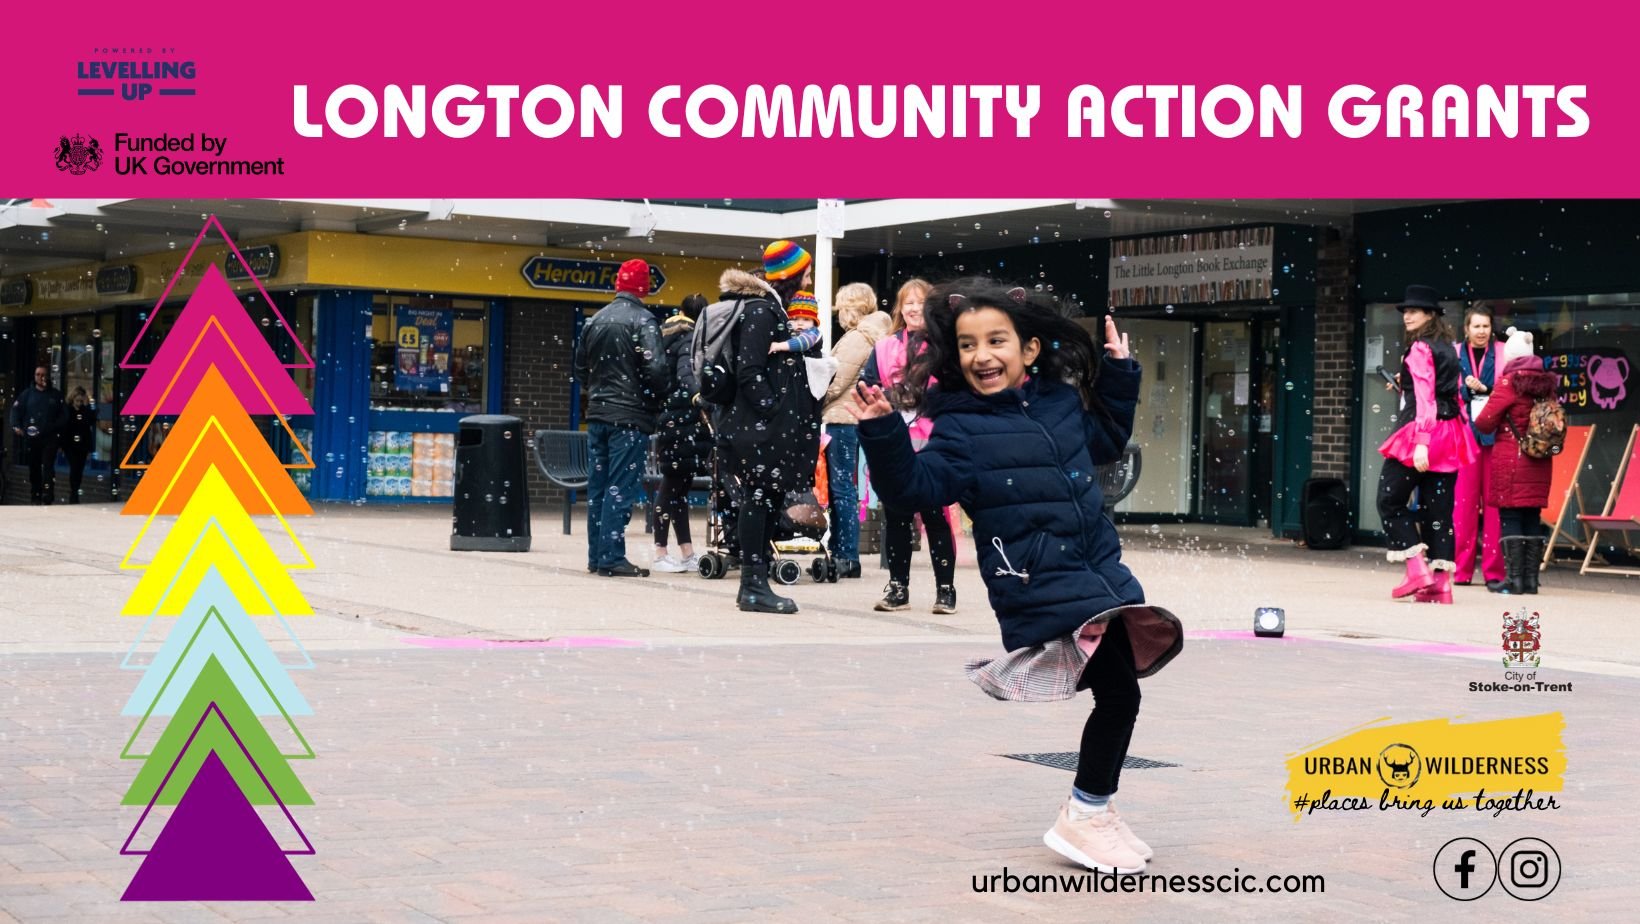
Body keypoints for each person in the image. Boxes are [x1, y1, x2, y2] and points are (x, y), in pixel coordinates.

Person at [850, 279, 1182, 875]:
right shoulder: (961, 428)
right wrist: (881, 432)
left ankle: (1093, 810)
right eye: (969, 344)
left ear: (1029, 350)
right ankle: (1085, 813)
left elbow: (1104, 441)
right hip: (1043, 579)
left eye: (997, 340)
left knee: (1119, 694)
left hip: (1098, 569)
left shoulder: (1057, 402)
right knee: (1120, 694)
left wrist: (1119, 370)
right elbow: (914, 489)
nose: (983, 355)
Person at [719, 240, 821, 613]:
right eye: (805, 271)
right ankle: (752, 584)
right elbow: (750, 371)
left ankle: (756, 582)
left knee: (767, 499)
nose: (809, 277)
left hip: (764, 428)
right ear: (791, 275)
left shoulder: (770, 309)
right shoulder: (762, 311)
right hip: (760, 430)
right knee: (759, 500)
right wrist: (773, 409)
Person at [1376, 285, 1479, 605]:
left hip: (1423, 432)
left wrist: (1421, 442)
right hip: (1450, 433)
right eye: (1405, 311)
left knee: (1389, 500)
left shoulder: (1420, 348)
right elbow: (1453, 391)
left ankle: (1416, 568)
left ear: (1430, 314)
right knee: (1438, 511)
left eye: (1414, 311)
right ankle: (1440, 584)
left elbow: (1425, 398)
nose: (1407, 316)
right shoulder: (1449, 347)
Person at [861, 278, 958, 614]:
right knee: (897, 515)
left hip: (932, 440)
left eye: (921, 301)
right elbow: (869, 384)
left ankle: (946, 589)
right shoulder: (885, 346)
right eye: (908, 302)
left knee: (935, 515)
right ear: (900, 309)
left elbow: (954, 389)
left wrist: (924, 397)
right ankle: (898, 587)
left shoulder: (945, 346)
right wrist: (890, 395)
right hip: (896, 439)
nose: (914, 308)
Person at [572, 259, 667, 577]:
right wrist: (652, 399)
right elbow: (656, 371)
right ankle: (611, 557)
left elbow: (580, 370)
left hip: (598, 415)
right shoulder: (644, 320)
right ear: (643, 288)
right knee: (620, 488)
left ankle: (597, 556)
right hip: (629, 417)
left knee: (598, 487)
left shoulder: (594, 321)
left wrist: (599, 392)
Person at [1475, 327, 1560, 595]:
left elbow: (1484, 423)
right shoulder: (1547, 386)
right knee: (1531, 515)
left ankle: (1514, 580)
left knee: (1510, 514)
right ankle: (1531, 581)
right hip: (1540, 458)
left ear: (1510, 357)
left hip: (1512, 458)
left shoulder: (1508, 383)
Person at [819, 283, 893, 578]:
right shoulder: (874, 336)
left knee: (841, 489)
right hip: (859, 419)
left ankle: (846, 554)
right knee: (846, 488)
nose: (838, 314)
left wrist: (813, 400)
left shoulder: (857, 338)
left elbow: (836, 381)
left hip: (843, 418)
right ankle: (845, 552)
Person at [652, 294, 714, 573]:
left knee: (678, 489)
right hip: (684, 422)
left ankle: (686, 551)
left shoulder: (667, 336)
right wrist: (699, 396)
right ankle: (660, 551)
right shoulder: (689, 339)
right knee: (672, 488)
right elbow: (687, 373)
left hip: (672, 420)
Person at [1454, 304, 1508, 591]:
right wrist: (1465, 389)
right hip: (1464, 436)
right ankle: (1461, 570)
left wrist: (1488, 391)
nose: (1481, 331)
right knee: (1463, 506)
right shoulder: (1454, 353)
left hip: (1495, 435)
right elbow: (1444, 388)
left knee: (1494, 506)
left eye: (1486, 326)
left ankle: (1493, 572)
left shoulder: (1502, 352)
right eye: (1476, 326)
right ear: (1467, 329)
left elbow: (1512, 387)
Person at [9, 366, 66, 505]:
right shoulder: (27, 394)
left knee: (48, 466)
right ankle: (35, 495)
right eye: (37, 374)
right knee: (34, 467)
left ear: (48, 377)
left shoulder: (55, 395)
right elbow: (15, 411)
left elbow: (64, 416)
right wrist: (16, 426)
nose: (40, 377)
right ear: (34, 376)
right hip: (32, 438)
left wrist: (53, 427)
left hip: (50, 438)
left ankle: (47, 495)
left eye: (43, 374)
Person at [61, 387, 96, 504]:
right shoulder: (67, 410)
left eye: (81, 401)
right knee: (74, 466)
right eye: (77, 401)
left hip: (82, 445)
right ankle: (74, 492)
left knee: (79, 468)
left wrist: (89, 403)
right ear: (72, 399)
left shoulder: (85, 411)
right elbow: (64, 427)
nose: (79, 404)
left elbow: (92, 419)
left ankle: (75, 491)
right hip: (70, 444)